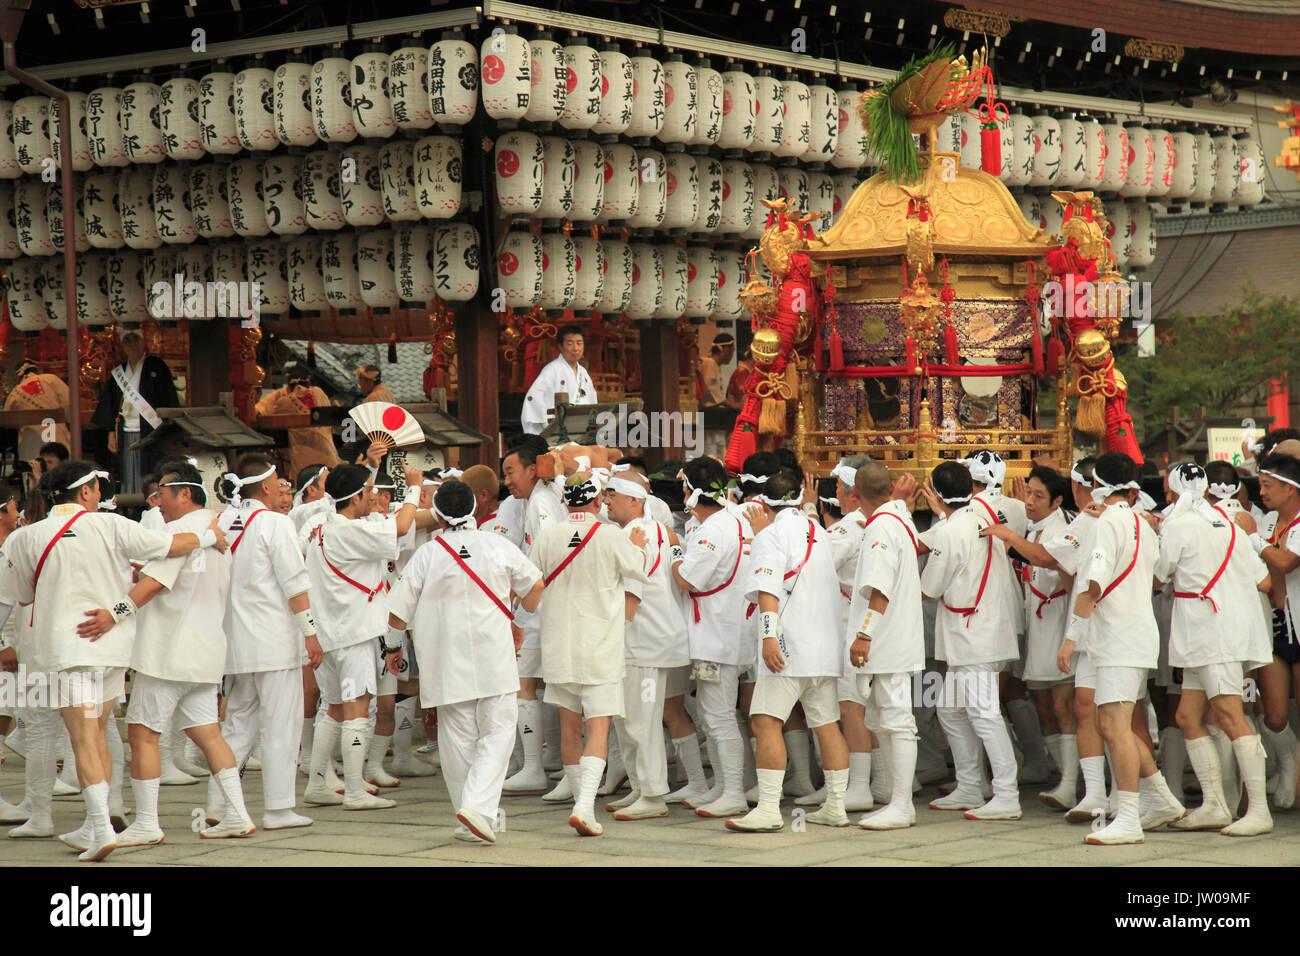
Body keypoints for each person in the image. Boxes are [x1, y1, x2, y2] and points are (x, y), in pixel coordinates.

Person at [0, 460, 226, 861]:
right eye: (97, 487)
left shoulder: (25, 538)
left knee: (84, 738)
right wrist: (209, 537)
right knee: (100, 732)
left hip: (68, 649)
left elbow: (21, 594)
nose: (102, 493)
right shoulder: (113, 525)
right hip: (113, 647)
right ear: (84, 492)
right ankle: (96, 821)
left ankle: (100, 827)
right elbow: (170, 547)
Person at [90, 459, 257, 847]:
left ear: (185, 492)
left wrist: (113, 616)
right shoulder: (217, 529)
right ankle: (238, 814)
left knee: (143, 735)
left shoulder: (178, 532)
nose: (155, 501)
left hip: (167, 652)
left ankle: (148, 822)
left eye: (161, 493)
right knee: (210, 734)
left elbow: (152, 586)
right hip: (206, 649)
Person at [390, 479, 544, 843]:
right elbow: (535, 587)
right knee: (499, 730)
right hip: (493, 652)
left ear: (439, 515)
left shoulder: (428, 554)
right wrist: (517, 621)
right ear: (475, 508)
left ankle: (468, 815)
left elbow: (397, 613)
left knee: (457, 738)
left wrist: (394, 647)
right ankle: (478, 809)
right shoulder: (497, 544)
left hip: (444, 657)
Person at [1057, 452, 1185, 845]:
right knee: (1118, 725)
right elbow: (1159, 576)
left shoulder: (1108, 522)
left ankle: (1129, 817)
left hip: (1117, 637)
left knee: (1115, 726)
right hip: (1128, 633)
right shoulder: (1141, 523)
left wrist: (1070, 638)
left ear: (1097, 483)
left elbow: (1091, 585)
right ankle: (1162, 800)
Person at [300, 463, 432, 811]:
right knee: (357, 710)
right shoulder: (349, 531)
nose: (373, 495)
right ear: (355, 495)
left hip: (329, 633)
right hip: (353, 632)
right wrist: (414, 488)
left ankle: (317, 782)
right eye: (369, 489)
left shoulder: (323, 528)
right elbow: (403, 525)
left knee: (334, 710)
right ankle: (355, 791)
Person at [727, 468, 849, 832]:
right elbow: (808, 517)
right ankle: (837, 806)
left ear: (763, 504)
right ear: (798, 500)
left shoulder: (770, 534)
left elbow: (768, 589)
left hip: (788, 644)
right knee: (827, 726)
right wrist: (809, 506)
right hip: (825, 648)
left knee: (765, 721)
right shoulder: (820, 532)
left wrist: (768, 636)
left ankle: (766, 808)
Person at [1156, 462, 1272, 836]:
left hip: (1211, 633)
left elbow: (1158, 573)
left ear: (1173, 491)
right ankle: (1215, 805)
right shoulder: (1232, 526)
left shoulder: (1178, 526)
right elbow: (1265, 581)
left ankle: (1259, 810)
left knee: (1229, 714)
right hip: (1207, 632)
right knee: (1189, 716)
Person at [208, 453, 322, 833]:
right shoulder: (275, 522)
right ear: (269, 485)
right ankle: (277, 808)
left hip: (233, 641)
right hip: (273, 640)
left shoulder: (221, 521)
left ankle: (218, 802)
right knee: (281, 725)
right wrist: (310, 632)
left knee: (237, 725)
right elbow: (295, 582)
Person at [529, 472, 647, 835]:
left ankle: (581, 799)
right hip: (600, 647)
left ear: (566, 501)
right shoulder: (611, 536)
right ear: (597, 501)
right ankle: (584, 807)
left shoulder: (548, 536)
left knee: (568, 727)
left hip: (558, 646)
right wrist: (639, 545)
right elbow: (638, 570)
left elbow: (529, 584)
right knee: (598, 727)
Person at [916, 461, 1022, 821]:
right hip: (979, 629)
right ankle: (970, 785)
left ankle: (1007, 794)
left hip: (975, 634)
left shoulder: (949, 531)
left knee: (985, 714)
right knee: (949, 709)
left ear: (938, 494)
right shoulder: (976, 516)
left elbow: (929, 588)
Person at [602, 469, 687, 821]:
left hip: (645, 643)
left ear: (633, 500)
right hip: (643, 642)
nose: (605, 500)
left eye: (612, 494)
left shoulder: (636, 535)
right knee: (629, 719)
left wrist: (608, 637)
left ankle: (653, 795)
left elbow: (630, 593)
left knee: (642, 721)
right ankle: (640, 785)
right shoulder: (653, 531)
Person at [670, 456, 751, 818]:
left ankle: (734, 790)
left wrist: (673, 551)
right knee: (713, 712)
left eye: (685, 485)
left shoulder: (713, 529)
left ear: (695, 491)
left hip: (717, 633)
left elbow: (687, 579)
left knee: (717, 715)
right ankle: (723, 784)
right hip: (727, 627)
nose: (682, 491)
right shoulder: (732, 518)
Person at [848, 461, 925, 829]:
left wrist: (864, 634)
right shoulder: (899, 519)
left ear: (854, 495)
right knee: (884, 720)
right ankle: (899, 800)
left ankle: (901, 803)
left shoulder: (882, 524)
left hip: (887, 638)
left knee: (897, 722)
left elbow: (879, 588)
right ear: (891, 487)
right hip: (895, 636)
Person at [501, 436, 566, 795]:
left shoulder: (540, 500)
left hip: (539, 604)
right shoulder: (548, 495)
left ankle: (532, 766)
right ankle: (551, 757)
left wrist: (521, 609)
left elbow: (543, 557)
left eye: (511, 472)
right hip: (549, 604)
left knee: (524, 684)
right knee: (547, 685)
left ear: (531, 468)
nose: (507, 481)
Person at [1251, 452, 1300, 809]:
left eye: (1268, 485)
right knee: (1275, 714)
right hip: (1273, 624)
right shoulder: (1267, 521)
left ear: (1290, 488)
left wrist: (1254, 540)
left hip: (1299, 624)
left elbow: (1285, 561)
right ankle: (1289, 763)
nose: (1261, 491)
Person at [91, 327, 180, 495]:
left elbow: (168, 397)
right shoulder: (119, 373)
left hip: (151, 432)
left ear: (143, 341)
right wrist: (111, 432)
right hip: (126, 433)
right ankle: (130, 505)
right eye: (127, 340)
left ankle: (152, 502)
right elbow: (111, 405)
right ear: (122, 344)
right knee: (128, 473)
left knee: (150, 471)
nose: (132, 343)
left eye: (135, 339)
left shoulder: (156, 366)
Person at [255, 365, 341, 476]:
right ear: (309, 382)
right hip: (328, 452)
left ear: (288, 385)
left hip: (301, 459)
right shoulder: (319, 393)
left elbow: (257, 412)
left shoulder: (282, 400)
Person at [521, 325, 597, 435]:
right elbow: (533, 399)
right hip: (557, 432)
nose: (575, 348)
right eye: (570, 344)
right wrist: (547, 428)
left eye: (579, 343)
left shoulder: (583, 373)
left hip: (581, 430)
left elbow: (592, 400)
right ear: (560, 346)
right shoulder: (552, 370)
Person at [4, 360, 71, 463]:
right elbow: (69, 402)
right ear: (37, 371)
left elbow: (7, 421)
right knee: (62, 474)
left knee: (35, 473)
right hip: (57, 436)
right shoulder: (50, 379)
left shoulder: (14, 393)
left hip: (31, 443)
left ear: (18, 377)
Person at [697, 333, 735, 407]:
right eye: (733, 351)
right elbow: (712, 388)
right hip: (706, 411)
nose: (732, 355)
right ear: (726, 350)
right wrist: (733, 405)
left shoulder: (713, 365)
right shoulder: (710, 363)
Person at [724, 346, 755, 412]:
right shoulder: (742, 373)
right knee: (699, 420)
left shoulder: (745, 372)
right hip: (736, 415)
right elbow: (745, 403)